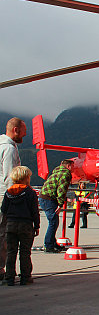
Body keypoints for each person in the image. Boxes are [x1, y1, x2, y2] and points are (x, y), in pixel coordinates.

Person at [1, 166, 39, 286]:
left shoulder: (8, 192)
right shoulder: (30, 193)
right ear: (25, 178)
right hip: (25, 225)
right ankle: (25, 277)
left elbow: (3, 209)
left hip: (10, 225)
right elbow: (34, 211)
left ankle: (9, 278)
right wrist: (36, 225)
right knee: (25, 252)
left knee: (11, 252)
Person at [0, 118, 26, 280]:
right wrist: (16, 200)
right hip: (4, 197)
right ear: (15, 130)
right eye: (24, 131)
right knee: (3, 234)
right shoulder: (9, 149)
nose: (25, 135)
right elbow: (11, 179)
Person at [39, 159, 73, 253]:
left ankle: (53, 243)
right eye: (72, 167)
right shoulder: (66, 174)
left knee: (54, 221)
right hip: (49, 199)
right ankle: (48, 245)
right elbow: (61, 189)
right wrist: (60, 204)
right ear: (69, 166)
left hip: (44, 197)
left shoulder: (56, 172)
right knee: (53, 222)